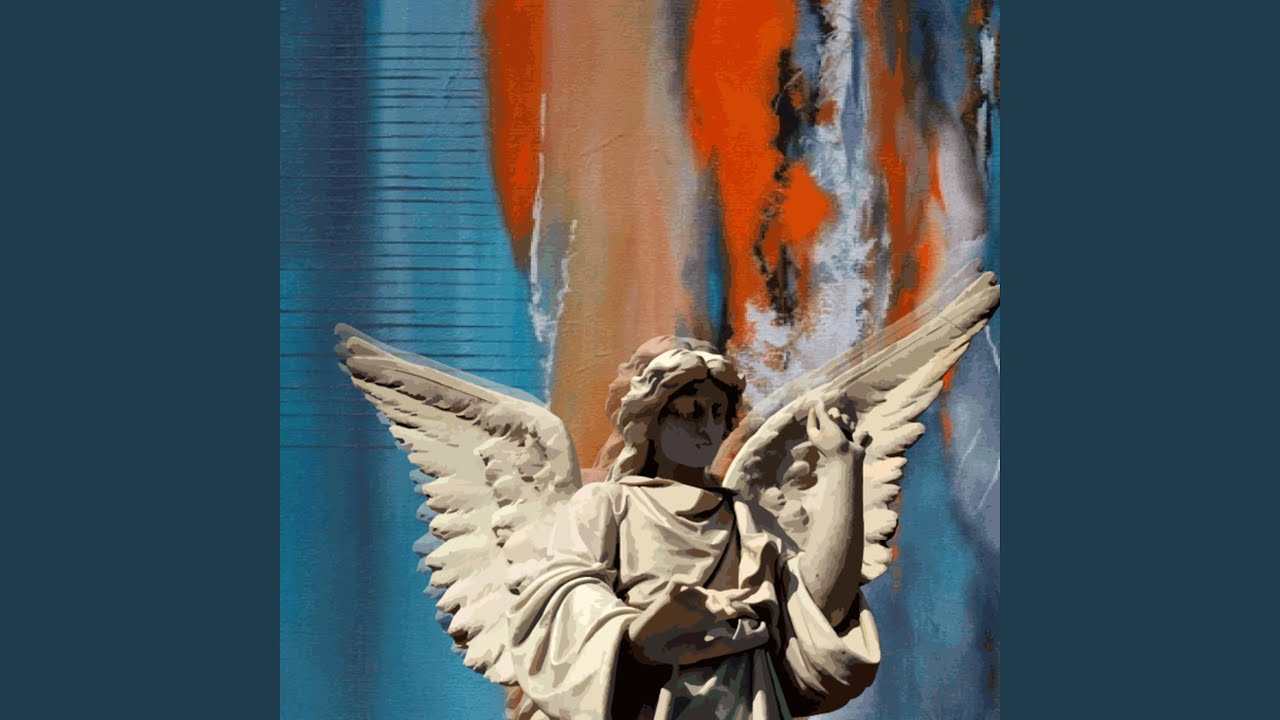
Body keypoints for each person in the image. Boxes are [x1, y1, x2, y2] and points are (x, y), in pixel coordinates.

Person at [507, 346, 880, 720]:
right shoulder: (609, 503)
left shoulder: (745, 517)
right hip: (650, 698)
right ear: (653, 419)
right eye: (691, 412)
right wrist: (636, 635)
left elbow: (820, 610)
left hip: (741, 699)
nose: (708, 428)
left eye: (718, 413)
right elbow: (564, 593)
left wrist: (843, 464)